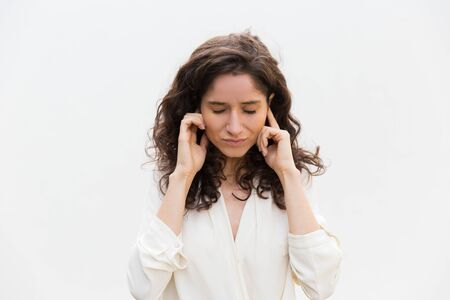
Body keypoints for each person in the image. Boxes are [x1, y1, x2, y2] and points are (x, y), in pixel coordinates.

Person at [127, 30, 343, 300]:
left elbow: (320, 284)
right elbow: (143, 287)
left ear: (269, 107)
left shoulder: (291, 176)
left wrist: (288, 175)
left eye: (250, 110)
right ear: (197, 108)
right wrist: (182, 177)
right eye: (218, 110)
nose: (234, 127)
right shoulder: (173, 177)